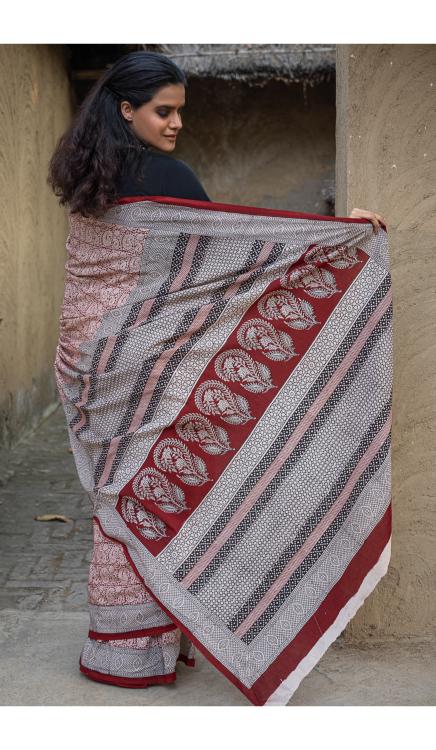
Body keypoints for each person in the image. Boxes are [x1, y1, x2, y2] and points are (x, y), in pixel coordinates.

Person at [47, 51, 391, 704]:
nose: (176, 123)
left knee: (122, 500)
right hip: (138, 365)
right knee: (160, 493)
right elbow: (241, 252)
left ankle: (123, 647)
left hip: (94, 363)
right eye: (164, 111)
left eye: (181, 112)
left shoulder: (85, 178)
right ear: (128, 110)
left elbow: (108, 285)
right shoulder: (165, 175)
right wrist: (338, 236)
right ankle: (160, 637)